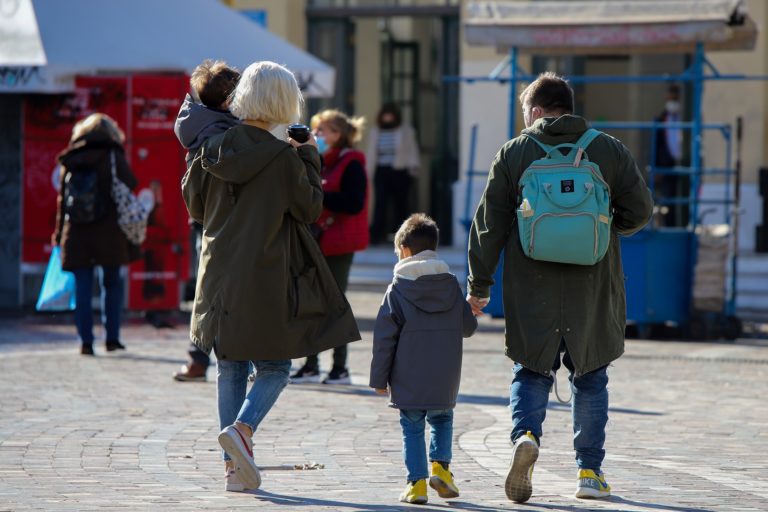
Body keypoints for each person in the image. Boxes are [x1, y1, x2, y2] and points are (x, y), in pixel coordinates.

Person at [466, 72, 653, 503]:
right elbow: (641, 210)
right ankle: (589, 472)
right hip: (593, 283)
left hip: (532, 284)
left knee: (530, 369)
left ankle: (525, 436)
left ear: (533, 112)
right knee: (590, 376)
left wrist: (479, 285)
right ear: (568, 107)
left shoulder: (515, 153)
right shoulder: (607, 149)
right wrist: (606, 232)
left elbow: (488, 225)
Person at [182, 60, 360, 493]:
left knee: (230, 365)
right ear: (284, 102)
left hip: (218, 271)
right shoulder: (283, 155)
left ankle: (233, 470)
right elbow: (309, 209)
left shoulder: (212, 146)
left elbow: (196, 209)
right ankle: (242, 430)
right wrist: (310, 152)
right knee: (276, 365)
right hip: (265, 272)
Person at [370, 213, 477, 505]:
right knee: (442, 419)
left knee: (413, 427)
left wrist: (379, 380)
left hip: (408, 377)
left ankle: (416, 484)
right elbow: (468, 328)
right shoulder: (452, 286)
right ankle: (441, 468)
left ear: (404, 250)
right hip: (445, 376)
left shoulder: (397, 290)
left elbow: (384, 340)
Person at [289, 109, 369, 385]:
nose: (318, 135)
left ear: (340, 134)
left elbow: (354, 202)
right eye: (316, 130)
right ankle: (311, 365)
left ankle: (340, 368)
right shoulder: (319, 159)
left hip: (339, 243)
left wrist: (319, 194)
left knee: (335, 304)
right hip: (317, 240)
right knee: (310, 303)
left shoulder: (352, 162)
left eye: (324, 131)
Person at [173, 59, 240, 382]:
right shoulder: (223, 131)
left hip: (204, 217)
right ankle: (209, 357)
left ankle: (199, 358)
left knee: (208, 287)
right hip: (225, 218)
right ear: (228, 100)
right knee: (218, 289)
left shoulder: (197, 122)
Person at [52, 113, 139, 356]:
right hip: (108, 232)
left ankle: (85, 342)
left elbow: (62, 202)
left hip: (77, 233)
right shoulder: (113, 155)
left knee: (82, 287)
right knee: (111, 284)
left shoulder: (70, 158)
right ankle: (111, 338)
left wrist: (59, 235)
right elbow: (130, 183)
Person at [367, 103, 420, 244]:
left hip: (400, 170)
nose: (388, 117)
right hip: (381, 170)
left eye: (390, 114)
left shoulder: (405, 130)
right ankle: (378, 234)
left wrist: (413, 169)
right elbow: (372, 152)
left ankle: (404, 234)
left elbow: (411, 149)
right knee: (380, 203)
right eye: (386, 114)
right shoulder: (376, 131)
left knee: (400, 203)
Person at [653, 84, 688, 226]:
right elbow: (657, 145)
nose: (673, 101)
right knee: (668, 200)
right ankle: (669, 226)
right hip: (667, 165)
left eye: (675, 97)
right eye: (670, 97)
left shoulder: (684, 117)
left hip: (683, 164)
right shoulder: (661, 119)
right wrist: (657, 167)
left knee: (683, 198)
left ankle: (683, 224)